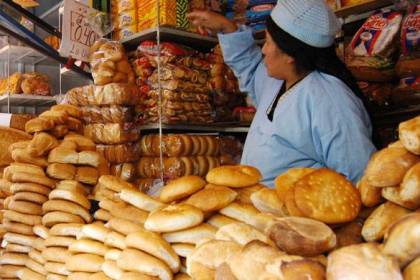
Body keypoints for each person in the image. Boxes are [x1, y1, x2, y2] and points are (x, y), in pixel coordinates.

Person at [188, 0, 376, 187]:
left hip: (297, 214)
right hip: (262, 212)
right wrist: (226, 27)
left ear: (290, 55)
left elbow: (358, 176)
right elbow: (250, 68)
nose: (263, 50)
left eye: (268, 42)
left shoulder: (331, 101)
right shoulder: (277, 80)